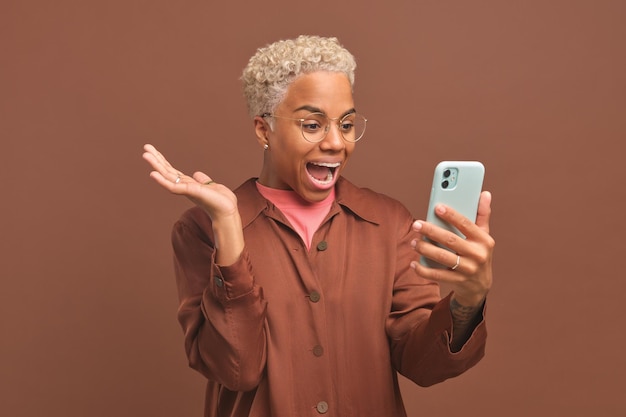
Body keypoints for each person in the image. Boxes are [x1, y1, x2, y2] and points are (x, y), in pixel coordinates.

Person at [142, 35, 494, 417]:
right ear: (264, 130)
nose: (335, 142)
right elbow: (236, 369)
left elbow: (423, 364)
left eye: (346, 124)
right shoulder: (200, 229)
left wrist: (467, 301)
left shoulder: (390, 223)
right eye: (312, 124)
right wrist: (228, 228)